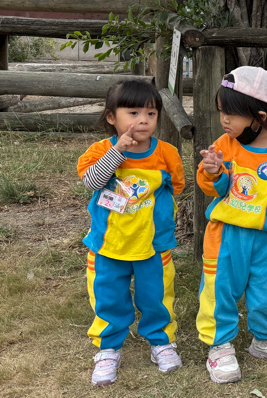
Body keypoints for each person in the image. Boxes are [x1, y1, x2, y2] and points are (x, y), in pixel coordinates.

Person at [195, 66, 267, 384]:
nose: (224, 120)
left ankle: (266, 338)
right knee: (220, 290)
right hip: (226, 237)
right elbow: (215, 189)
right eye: (221, 112)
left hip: (266, 241)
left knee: (266, 292)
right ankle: (220, 345)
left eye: (231, 114)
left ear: (260, 116)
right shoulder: (225, 144)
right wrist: (212, 172)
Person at [77, 79, 185, 386]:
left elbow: (177, 186)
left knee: (156, 296)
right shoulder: (100, 151)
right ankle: (108, 348)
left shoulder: (166, 153)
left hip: (153, 244)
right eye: (133, 113)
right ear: (112, 117)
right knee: (109, 297)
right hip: (109, 244)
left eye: (151, 114)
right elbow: (93, 182)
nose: (143, 120)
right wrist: (118, 151)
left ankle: (161, 342)